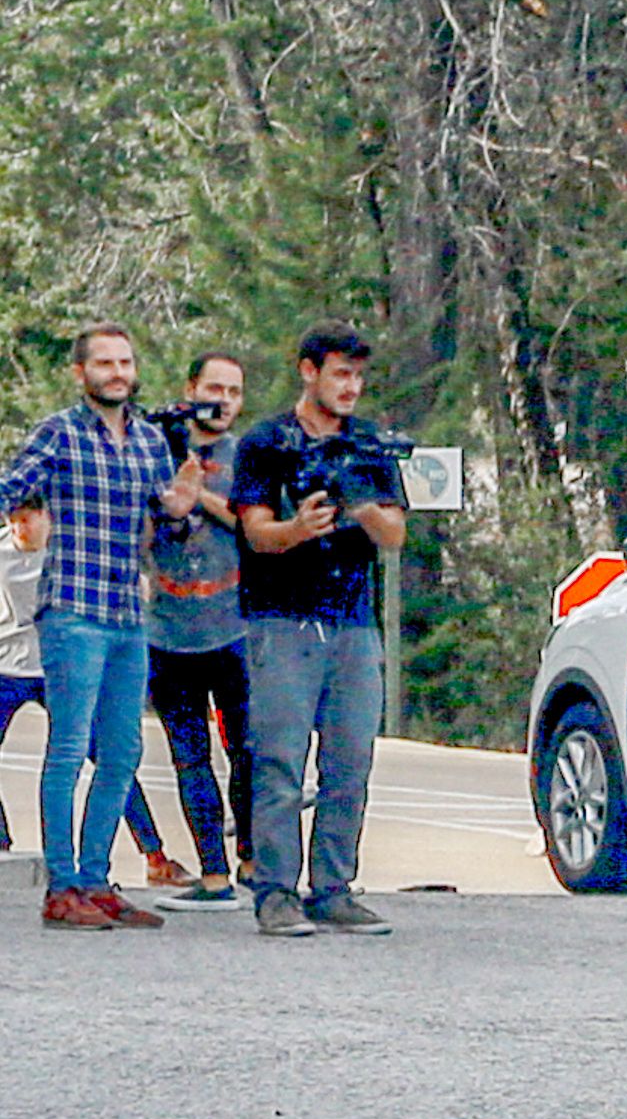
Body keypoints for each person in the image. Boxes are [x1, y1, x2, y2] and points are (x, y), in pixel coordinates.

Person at [4, 325, 199, 931]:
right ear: (81, 373)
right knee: (67, 749)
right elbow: (12, 488)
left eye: (125, 362)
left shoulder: (147, 442)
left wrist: (179, 508)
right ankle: (62, 886)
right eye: (104, 363)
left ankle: (96, 878)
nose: (117, 372)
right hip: (71, 611)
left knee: (121, 752)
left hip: (127, 615)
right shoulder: (58, 433)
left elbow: (165, 530)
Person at [232, 323, 408, 939]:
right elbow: (254, 532)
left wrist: (360, 502)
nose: (352, 387)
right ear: (308, 371)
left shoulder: (368, 446)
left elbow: (394, 534)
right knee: (279, 761)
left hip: (354, 622)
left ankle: (333, 886)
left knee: (350, 761)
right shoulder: (265, 442)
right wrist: (300, 527)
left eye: (359, 376)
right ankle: (275, 890)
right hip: (281, 620)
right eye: (340, 374)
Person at [143, 348, 253, 909]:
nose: (224, 403)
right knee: (190, 758)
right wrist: (167, 504)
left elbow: (253, 525)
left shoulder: (248, 455)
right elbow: (141, 535)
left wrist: (198, 496)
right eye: (214, 390)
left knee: (248, 752)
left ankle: (254, 859)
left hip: (235, 627)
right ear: (191, 390)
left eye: (234, 393)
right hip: (167, 633)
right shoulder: (151, 450)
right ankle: (214, 875)